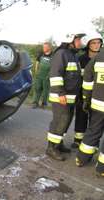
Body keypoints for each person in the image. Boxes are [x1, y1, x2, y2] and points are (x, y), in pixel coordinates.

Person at [46, 32, 86, 161]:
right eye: (78, 39)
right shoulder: (61, 54)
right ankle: (51, 148)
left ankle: (59, 143)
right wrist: (61, 93)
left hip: (70, 97)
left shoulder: (73, 55)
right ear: (70, 40)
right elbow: (56, 75)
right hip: (61, 97)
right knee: (59, 121)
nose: (80, 42)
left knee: (66, 122)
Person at [75, 47, 104, 177]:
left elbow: (87, 73)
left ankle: (81, 158)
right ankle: (102, 168)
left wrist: (87, 96)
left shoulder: (100, 56)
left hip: (98, 102)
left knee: (93, 129)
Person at [72, 32, 103, 148]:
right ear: (88, 45)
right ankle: (78, 139)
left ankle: (92, 142)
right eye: (93, 43)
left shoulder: (102, 58)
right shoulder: (81, 59)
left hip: (98, 95)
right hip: (82, 93)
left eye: (98, 42)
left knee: (95, 120)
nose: (96, 45)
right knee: (81, 116)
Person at [32, 42, 53, 109]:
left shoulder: (53, 55)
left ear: (49, 47)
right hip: (39, 75)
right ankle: (35, 103)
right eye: (43, 47)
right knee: (37, 89)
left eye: (45, 47)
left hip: (47, 76)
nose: (44, 48)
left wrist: (50, 74)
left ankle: (44, 104)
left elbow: (54, 66)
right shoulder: (41, 54)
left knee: (45, 91)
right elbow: (37, 62)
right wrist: (36, 71)